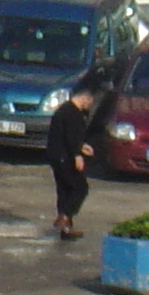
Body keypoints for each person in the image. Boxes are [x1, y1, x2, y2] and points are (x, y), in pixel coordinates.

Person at [46, 77, 101, 240]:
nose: (89, 106)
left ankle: (66, 229)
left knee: (64, 190)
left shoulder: (63, 111)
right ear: (86, 98)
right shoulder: (73, 114)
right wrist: (77, 155)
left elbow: (69, 137)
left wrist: (82, 146)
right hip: (65, 157)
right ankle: (64, 216)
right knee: (80, 188)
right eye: (90, 102)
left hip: (56, 156)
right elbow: (71, 137)